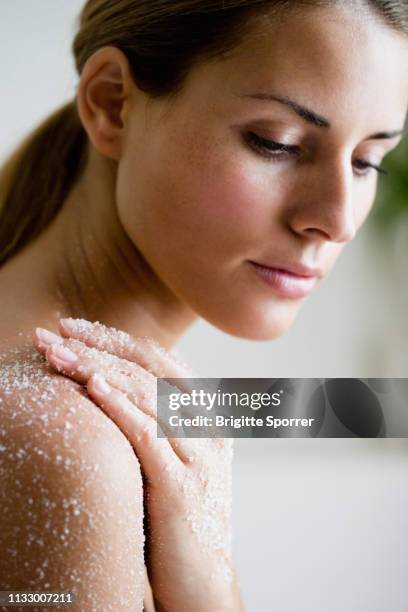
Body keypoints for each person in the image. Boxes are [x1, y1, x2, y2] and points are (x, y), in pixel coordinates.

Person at [0, 0, 407, 609]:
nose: (338, 220)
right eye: (276, 143)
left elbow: (348, 410)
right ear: (112, 104)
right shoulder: (67, 444)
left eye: (366, 160)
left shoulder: (137, 398)